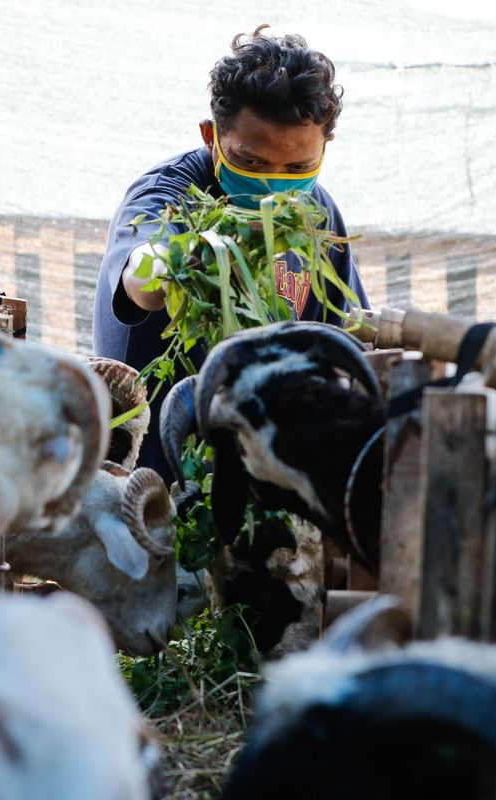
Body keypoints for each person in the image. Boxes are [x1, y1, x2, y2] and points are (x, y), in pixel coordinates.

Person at [93, 25, 369, 482]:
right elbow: (138, 276)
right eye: (252, 162)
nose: (273, 186)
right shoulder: (168, 196)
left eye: (298, 168)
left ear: (324, 148)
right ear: (211, 136)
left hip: (263, 476)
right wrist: (182, 262)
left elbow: (347, 331)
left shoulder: (317, 213)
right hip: (152, 485)